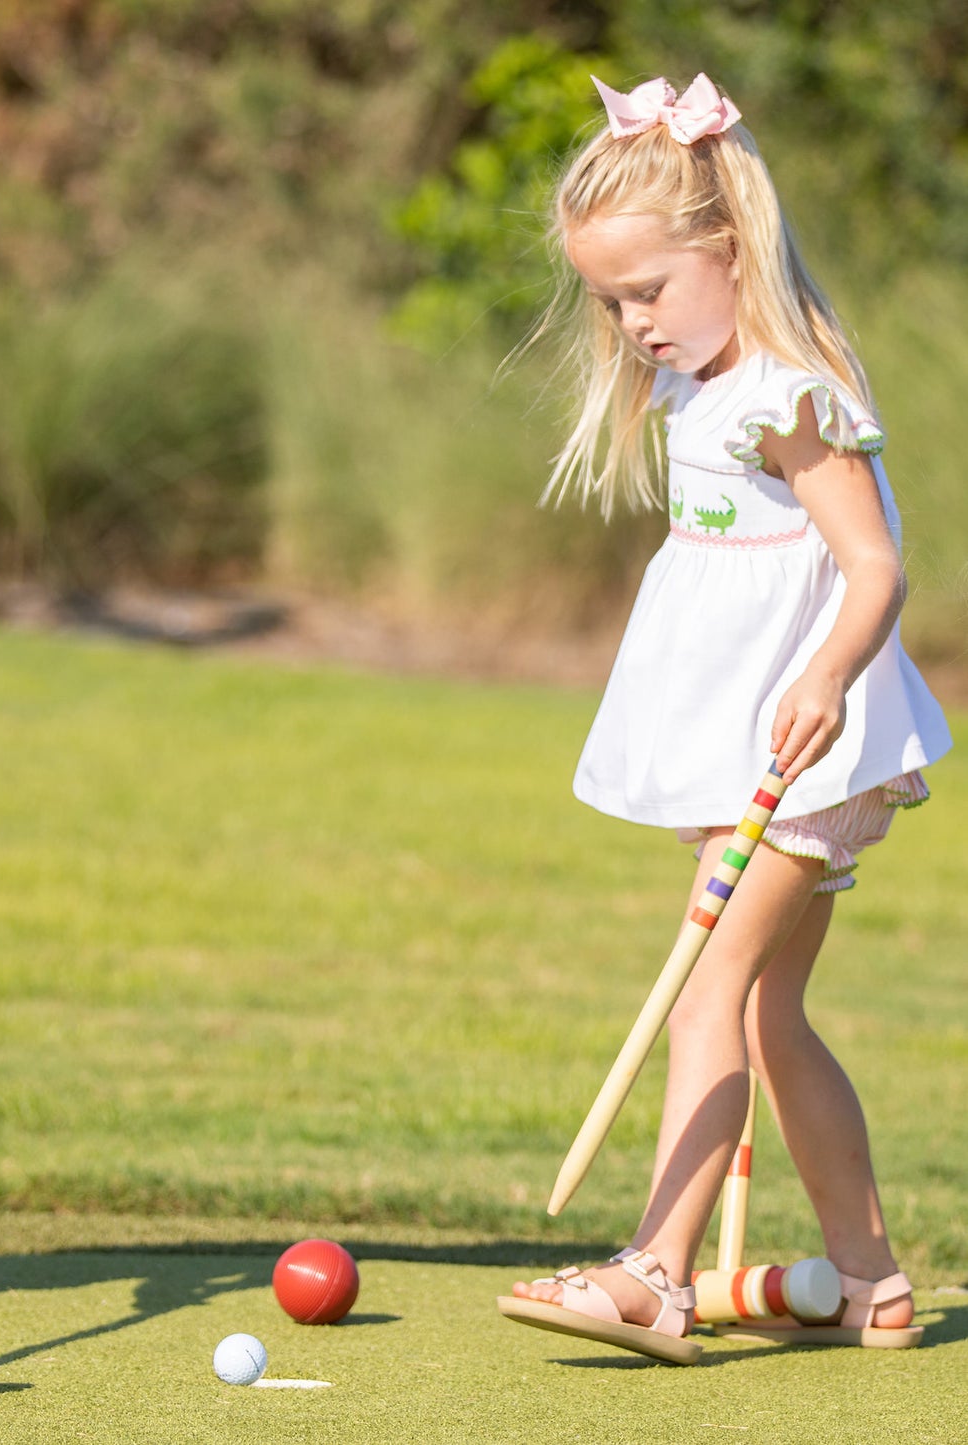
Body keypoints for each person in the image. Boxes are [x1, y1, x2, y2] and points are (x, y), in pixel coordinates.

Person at [498, 74, 951, 1364]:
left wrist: (819, 676)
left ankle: (654, 1269)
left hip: (806, 751)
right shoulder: (701, 386)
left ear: (728, 247)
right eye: (609, 300)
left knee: (706, 989)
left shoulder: (787, 392)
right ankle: (868, 1279)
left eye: (649, 289)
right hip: (752, 745)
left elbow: (872, 566)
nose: (631, 321)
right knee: (762, 1010)